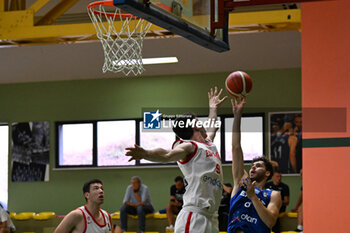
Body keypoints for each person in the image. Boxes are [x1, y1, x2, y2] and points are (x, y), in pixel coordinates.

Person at [126, 87, 227, 233]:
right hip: (194, 216)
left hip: (211, 217)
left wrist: (213, 107)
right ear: (195, 125)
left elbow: (213, 126)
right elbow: (167, 154)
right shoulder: (189, 147)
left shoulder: (208, 144)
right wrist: (146, 153)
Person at [228, 97, 282, 233]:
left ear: (267, 173)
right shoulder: (240, 183)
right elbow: (235, 147)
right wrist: (237, 117)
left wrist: (253, 196)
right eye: (252, 165)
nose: (252, 167)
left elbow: (270, 222)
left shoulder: (273, 194)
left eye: (258, 166)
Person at [54, 179, 121, 233]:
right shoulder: (76, 215)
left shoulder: (106, 215)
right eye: (96, 188)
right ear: (87, 195)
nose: (101, 191)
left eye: (102, 188)